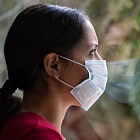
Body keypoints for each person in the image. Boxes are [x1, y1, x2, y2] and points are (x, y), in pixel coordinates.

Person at [0, 4, 108, 140]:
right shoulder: (38, 134)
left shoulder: (23, 126)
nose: (100, 60)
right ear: (53, 65)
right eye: (92, 51)